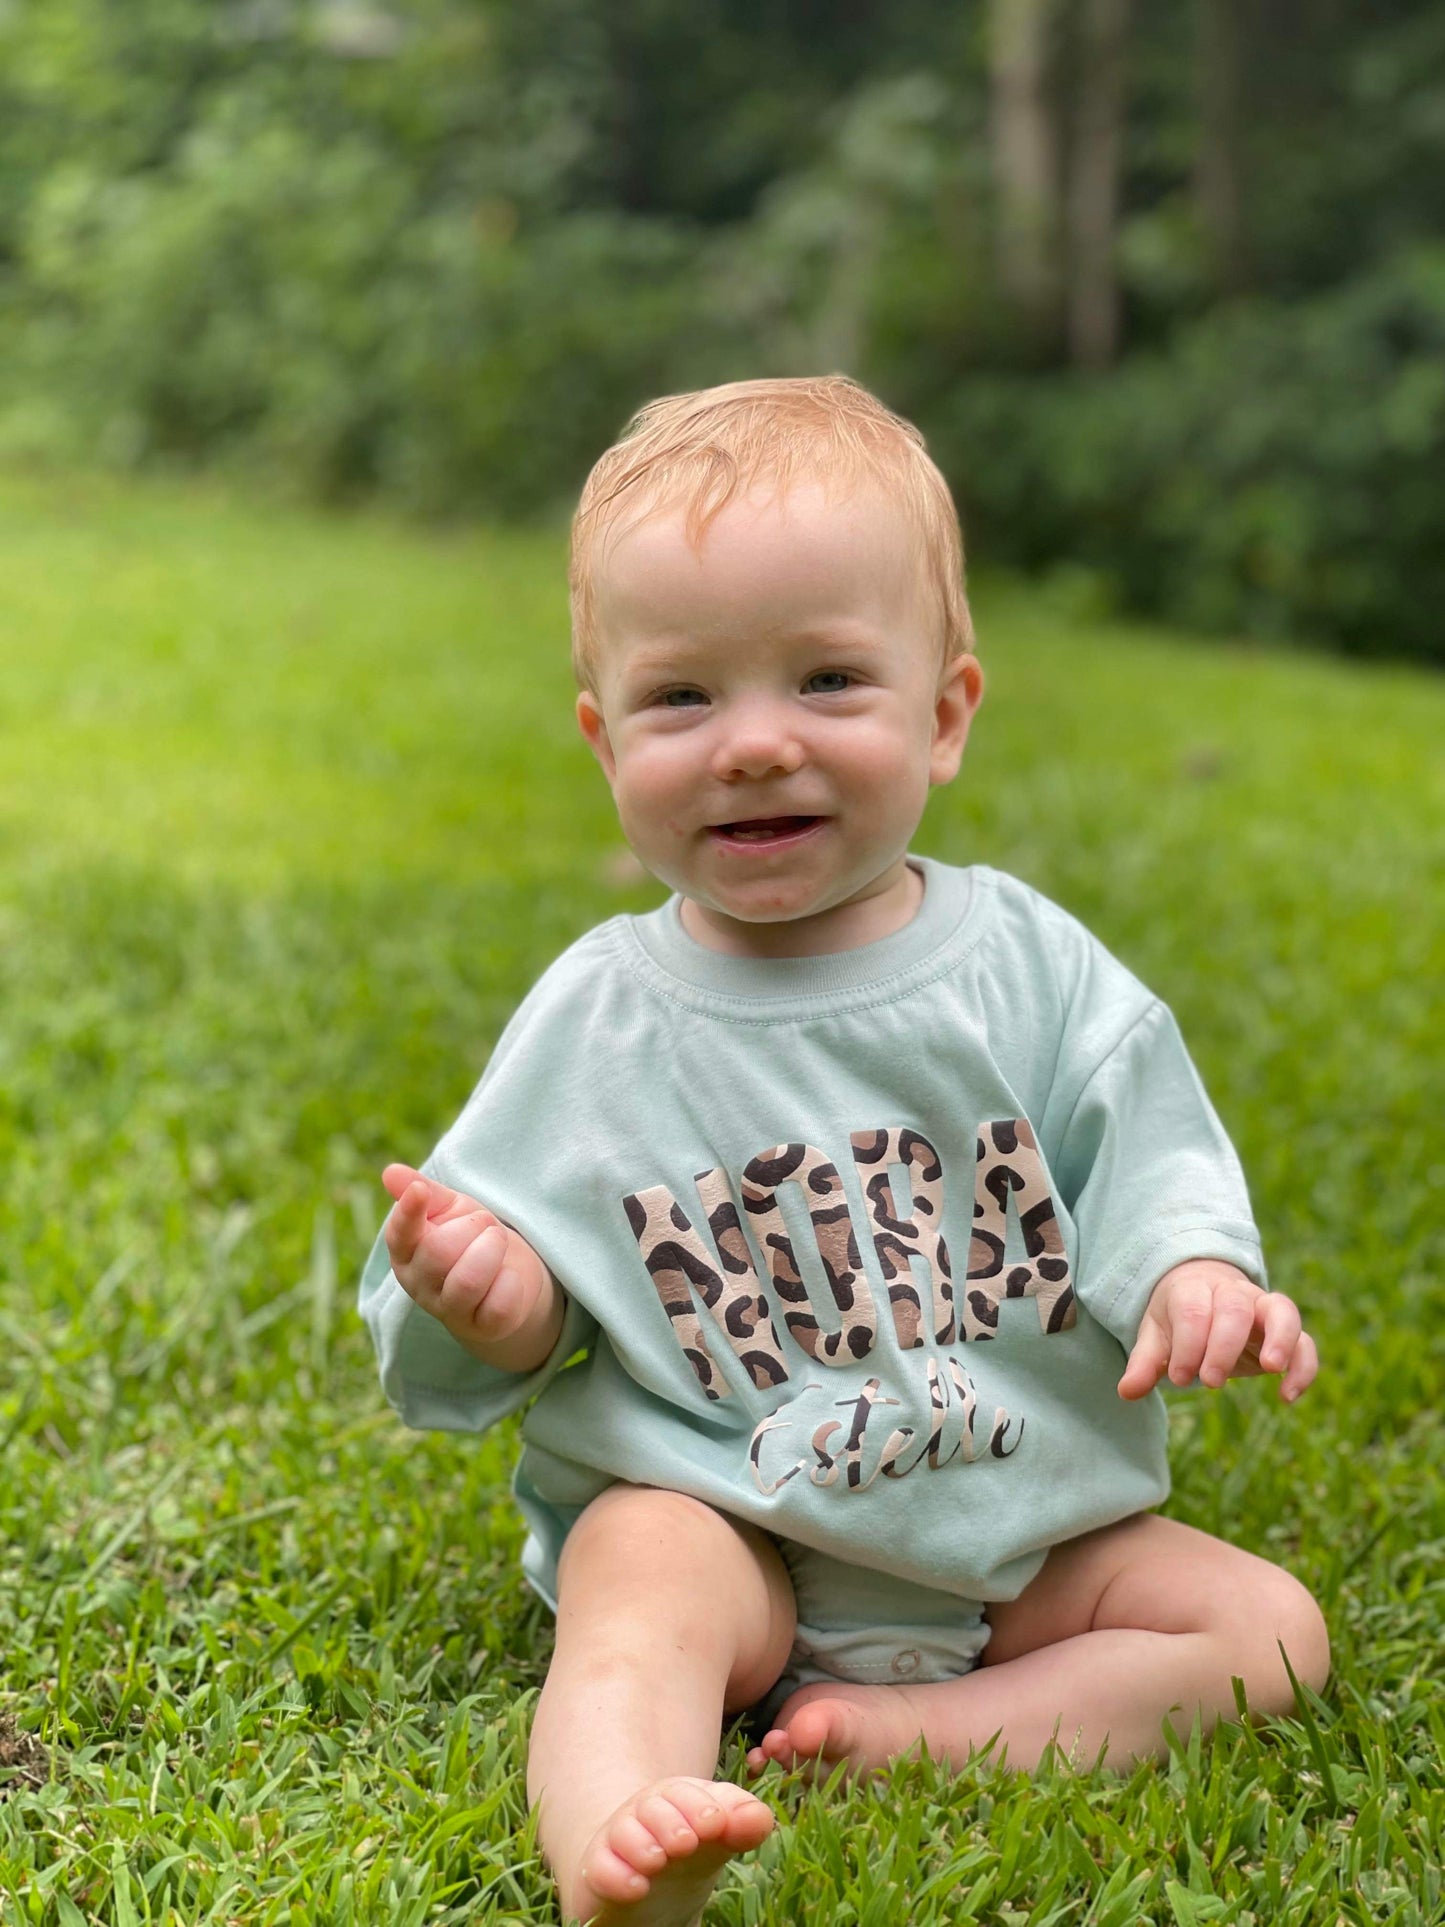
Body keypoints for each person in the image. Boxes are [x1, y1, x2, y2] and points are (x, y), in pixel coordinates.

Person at [358, 375, 1328, 1927]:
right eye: (683, 700)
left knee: (1266, 1632)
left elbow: (1147, 1153)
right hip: (726, 1516)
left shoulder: (1028, 968)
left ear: (943, 715)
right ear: (604, 740)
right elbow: (479, 1324)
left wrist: (1196, 1267)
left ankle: (936, 1737)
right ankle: (618, 1834)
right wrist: (492, 1294)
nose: (752, 747)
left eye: (824, 681)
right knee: (632, 1590)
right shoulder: (599, 1017)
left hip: (1016, 1533)